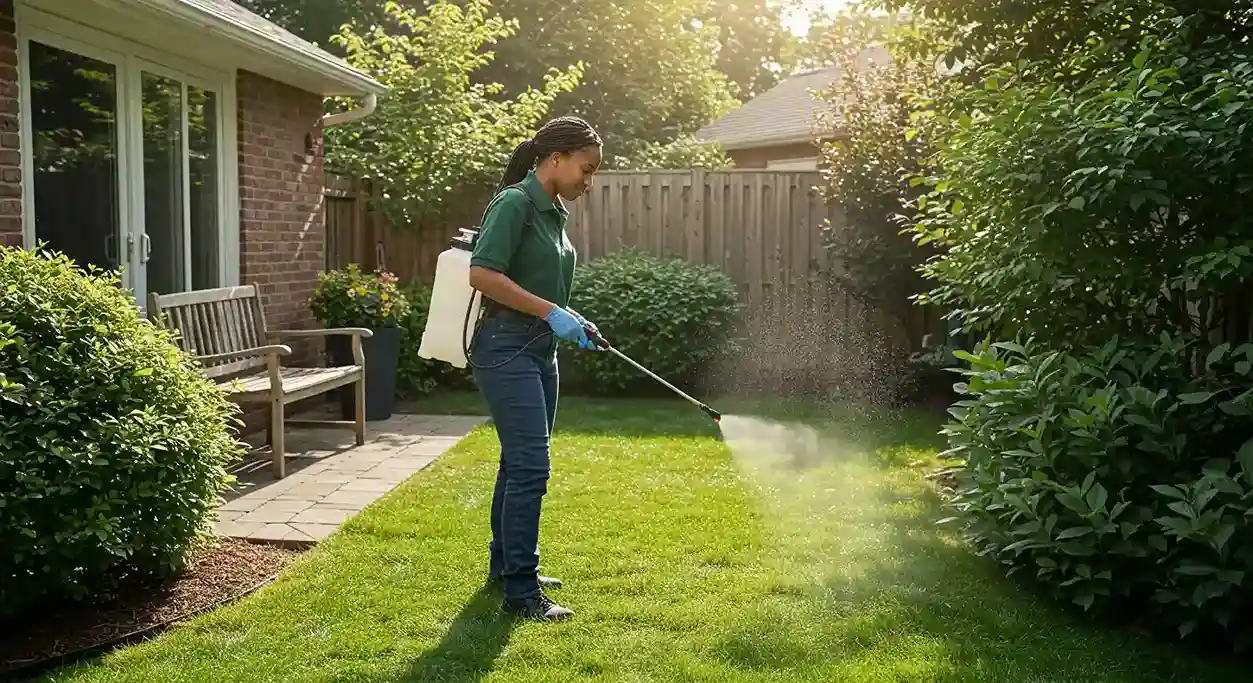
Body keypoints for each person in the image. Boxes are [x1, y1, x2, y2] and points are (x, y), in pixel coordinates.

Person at [467, 115, 604, 621]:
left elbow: (543, 284)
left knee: (517, 464)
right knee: (531, 468)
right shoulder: (516, 203)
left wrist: (570, 317)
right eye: (585, 170)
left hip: (540, 349)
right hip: (506, 349)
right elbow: (481, 274)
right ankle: (522, 593)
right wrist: (551, 312)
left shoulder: (551, 211)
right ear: (556, 159)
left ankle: (506, 568)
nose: (587, 182)